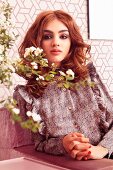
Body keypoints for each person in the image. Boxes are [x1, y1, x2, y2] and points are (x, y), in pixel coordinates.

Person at [14, 10, 113, 161]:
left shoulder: (89, 78)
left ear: (71, 41)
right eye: (47, 37)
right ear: (36, 42)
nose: (56, 42)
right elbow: (38, 144)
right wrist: (63, 144)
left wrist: (102, 149)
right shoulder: (27, 95)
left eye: (63, 36)